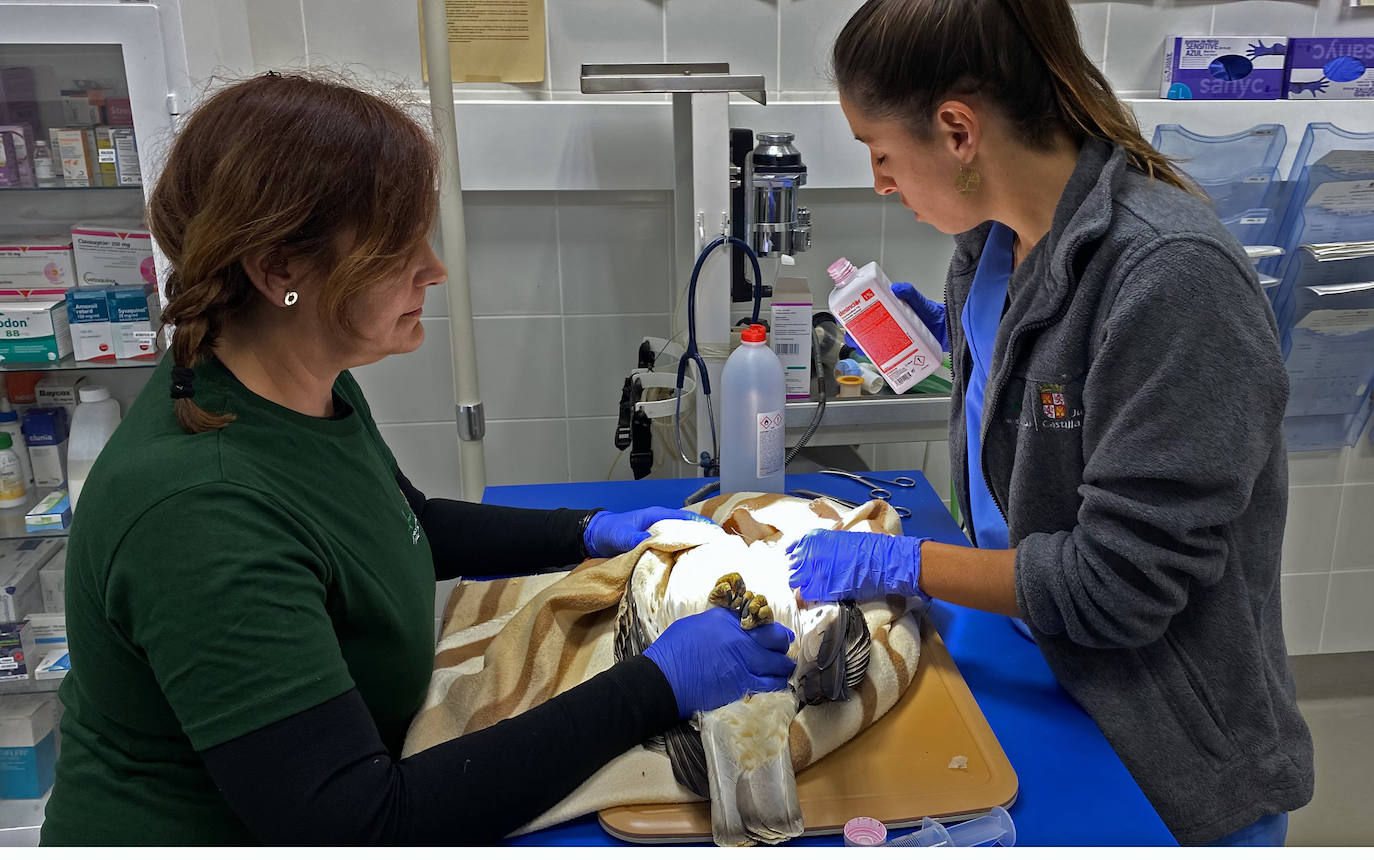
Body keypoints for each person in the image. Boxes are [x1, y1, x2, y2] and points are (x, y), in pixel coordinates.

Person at [40, 73, 795, 846]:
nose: (433, 270)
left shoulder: (299, 388)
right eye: (397, 249)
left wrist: (590, 530)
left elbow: (409, 525)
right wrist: (657, 685)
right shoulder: (200, 512)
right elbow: (364, 820)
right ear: (280, 273)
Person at [786, 0, 1313, 847]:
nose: (881, 181)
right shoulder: (994, 248)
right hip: (1039, 667)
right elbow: (1052, 426)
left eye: (879, 153)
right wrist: (968, 350)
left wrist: (904, 561)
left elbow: (1117, 587)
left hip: (1162, 753)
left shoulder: (1173, 278)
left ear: (958, 130)